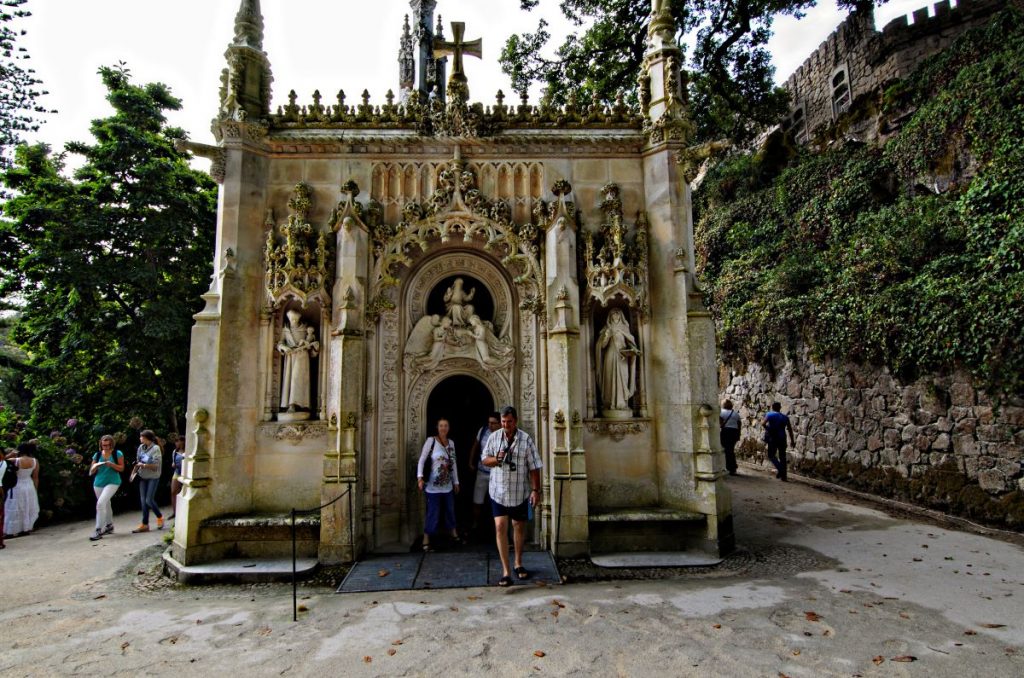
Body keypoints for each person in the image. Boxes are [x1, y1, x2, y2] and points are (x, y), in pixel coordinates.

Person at [481, 405, 542, 587]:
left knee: (518, 527)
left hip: (519, 492)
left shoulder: (525, 439)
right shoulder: (494, 438)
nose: (506, 425)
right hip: (498, 491)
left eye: (509, 422)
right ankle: (506, 571)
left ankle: (518, 562)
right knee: (500, 526)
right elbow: (485, 460)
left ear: (515, 421)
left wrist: (535, 490)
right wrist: (497, 459)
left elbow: (534, 466)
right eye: (503, 422)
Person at [416, 418, 461, 551]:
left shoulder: (451, 443)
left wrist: (456, 481)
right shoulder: (431, 441)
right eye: (441, 425)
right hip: (432, 486)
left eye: (446, 426)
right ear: (437, 427)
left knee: (450, 510)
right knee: (433, 513)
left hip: (447, 486)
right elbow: (422, 460)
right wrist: (420, 477)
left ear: (449, 428)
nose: (443, 428)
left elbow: (453, 464)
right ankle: (426, 538)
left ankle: (453, 533)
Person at [594, 309, 640, 414]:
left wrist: (633, 350)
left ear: (621, 316)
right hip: (610, 356)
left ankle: (622, 404)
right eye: (613, 314)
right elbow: (602, 346)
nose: (615, 316)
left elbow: (631, 343)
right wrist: (607, 337)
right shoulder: (607, 328)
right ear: (610, 316)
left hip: (622, 358)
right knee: (609, 379)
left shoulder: (625, 328)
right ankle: (610, 403)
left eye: (617, 314)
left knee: (623, 378)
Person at [468, 412, 501, 534]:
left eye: (493, 423)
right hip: (482, 472)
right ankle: (475, 525)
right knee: (477, 500)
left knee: (497, 502)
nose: (490, 425)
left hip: (497, 473)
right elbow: (475, 446)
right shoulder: (483, 431)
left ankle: (498, 528)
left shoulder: (503, 435)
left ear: (499, 423)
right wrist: (470, 462)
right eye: (489, 422)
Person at [89, 435, 125, 540]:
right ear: (101, 444)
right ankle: (109, 525)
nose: (106, 447)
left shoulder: (117, 453)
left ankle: (98, 529)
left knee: (100, 503)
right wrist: (96, 466)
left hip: (113, 481)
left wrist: (112, 465)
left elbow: (121, 468)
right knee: (106, 503)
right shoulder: (97, 454)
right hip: (98, 483)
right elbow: (91, 471)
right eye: (104, 445)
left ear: (111, 444)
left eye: (108, 445)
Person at [3, 442, 40, 538]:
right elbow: (35, 477)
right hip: (29, 485)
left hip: (17, 485)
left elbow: (1, 461)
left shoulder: (15, 460)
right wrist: (35, 489)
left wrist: (9, 455)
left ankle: (12, 530)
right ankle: (25, 528)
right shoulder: (35, 461)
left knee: (15, 507)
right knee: (27, 506)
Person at [132, 429, 164, 532]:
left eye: (142, 437)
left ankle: (159, 517)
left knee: (149, 500)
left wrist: (144, 465)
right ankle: (145, 524)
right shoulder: (141, 447)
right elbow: (138, 461)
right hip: (142, 476)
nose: (140, 438)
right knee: (143, 502)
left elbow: (156, 466)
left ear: (147, 438)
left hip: (153, 477)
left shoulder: (155, 448)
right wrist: (134, 470)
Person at [763, 402, 796, 481]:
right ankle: (784, 477)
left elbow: (763, 423)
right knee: (782, 457)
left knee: (771, 455)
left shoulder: (769, 414)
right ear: (780, 408)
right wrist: (792, 441)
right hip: (782, 438)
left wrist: (768, 429)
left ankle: (781, 470)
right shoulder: (785, 417)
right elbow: (790, 430)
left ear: (772, 407)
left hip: (773, 438)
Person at [720, 399, 741, 476]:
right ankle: (732, 467)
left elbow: (720, 424)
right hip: (734, 432)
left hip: (726, 432)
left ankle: (730, 467)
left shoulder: (721, 412)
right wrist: (738, 435)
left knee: (726, 450)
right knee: (730, 450)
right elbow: (739, 425)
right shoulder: (735, 414)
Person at [168, 435, 186, 520]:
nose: (176, 443)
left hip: (185, 473)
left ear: (182, 441)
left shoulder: (187, 451)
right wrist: (173, 464)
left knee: (183, 492)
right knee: (173, 491)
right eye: (175, 441)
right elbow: (173, 462)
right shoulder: (175, 451)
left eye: (178, 441)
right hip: (177, 472)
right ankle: (175, 512)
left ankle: (182, 511)